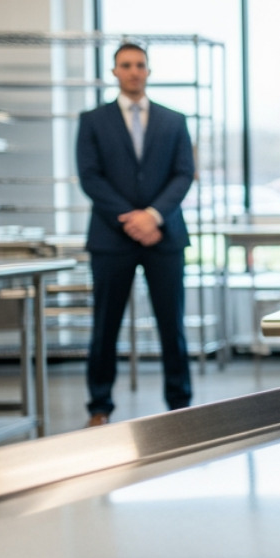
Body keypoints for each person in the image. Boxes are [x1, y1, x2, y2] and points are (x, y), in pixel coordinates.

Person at [76, 42, 195, 425]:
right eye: (125, 65)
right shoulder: (93, 121)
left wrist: (154, 216)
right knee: (105, 326)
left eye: (140, 65)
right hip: (112, 238)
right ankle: (99, 406)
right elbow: (90, 176)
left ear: (148, 71)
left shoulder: (174, 121)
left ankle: (180, 405)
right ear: (114, 72)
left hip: (164, 237)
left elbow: (183, 174)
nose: (133, 71)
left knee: (171, 325)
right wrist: (132, 218)